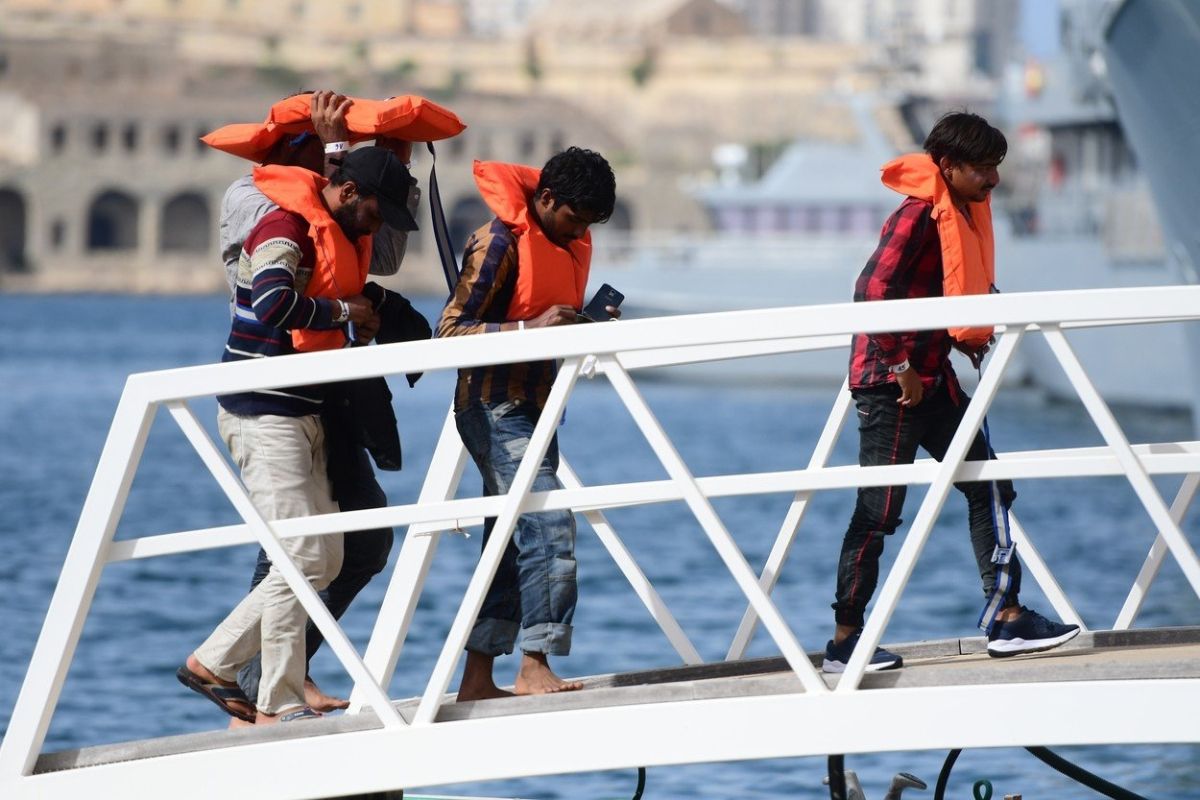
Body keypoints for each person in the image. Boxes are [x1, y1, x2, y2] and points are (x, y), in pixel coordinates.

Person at [822, 112, 1080, 674]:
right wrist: (900, 366)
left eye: (995, 167)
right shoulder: (917, 214)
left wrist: (964, 340)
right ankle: (844, 643)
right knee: (879, 513)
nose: (993, 179)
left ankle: (1006, 618)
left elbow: (951, 286)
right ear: (947, 166)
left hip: (932, 378)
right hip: (891, 385)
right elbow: (871, 291)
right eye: (982, 168)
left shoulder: (957, 212)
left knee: (990, 484)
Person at [177, 145, 419, 724]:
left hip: (303, 414)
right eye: (377, 213)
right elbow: (272, 302)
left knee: (324, 557)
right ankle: (237, 677)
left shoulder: (339, 235)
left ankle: (254, 687)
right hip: (263, 413)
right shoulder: (284, 228)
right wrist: (346, 314)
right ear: (349, 192)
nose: (378, 227)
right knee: (305, 557)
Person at [437, 147, 617, 700]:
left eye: (588, 225)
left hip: (538, 409)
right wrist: (529, 329)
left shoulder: (563, 242)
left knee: (508, 542)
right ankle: (535, 664)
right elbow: (449, 331)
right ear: (546, 198)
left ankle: (476, 680)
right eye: (574, 219)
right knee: (547, 522)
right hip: (492, 407)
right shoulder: (497, 242)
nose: (579, 232)